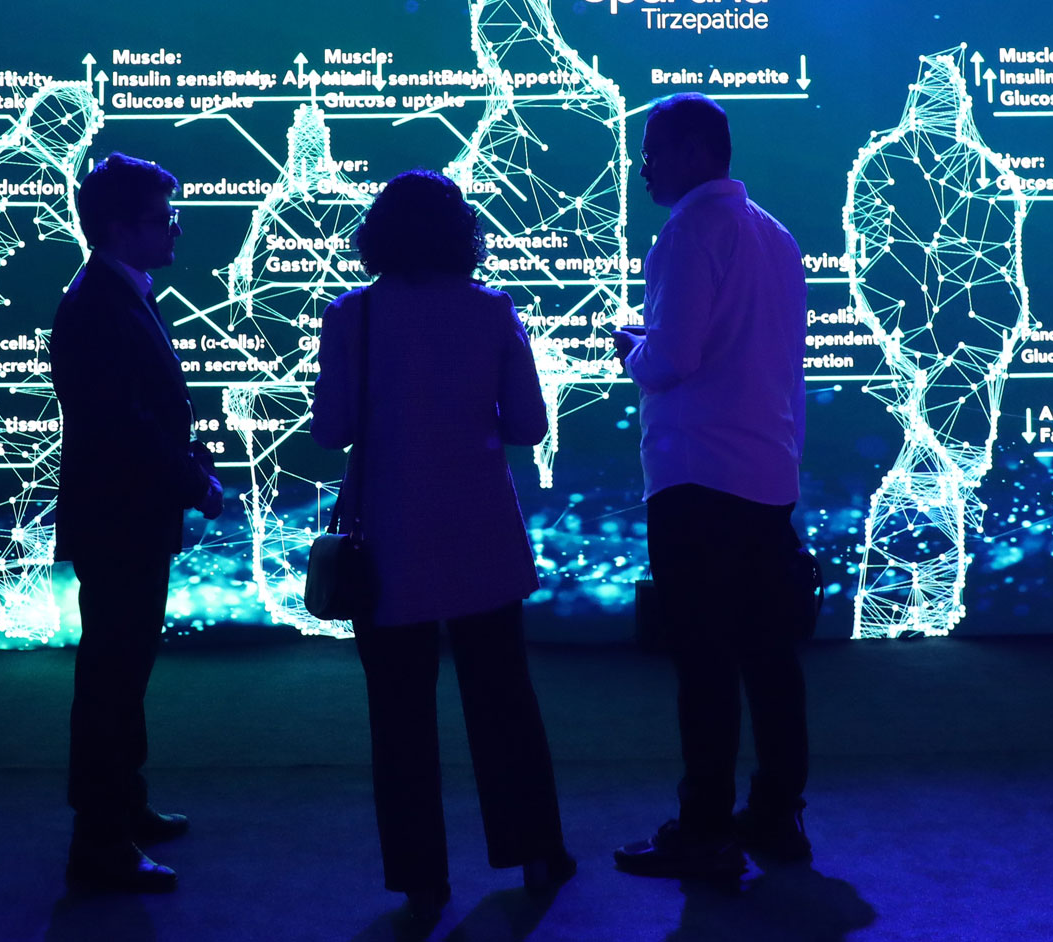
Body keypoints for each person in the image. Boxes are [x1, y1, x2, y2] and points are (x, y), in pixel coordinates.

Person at [311, 170, 573, 917]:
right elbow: (529, 425)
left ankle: (421, 881)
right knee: (502, 698)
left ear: (379, 235)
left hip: (387, 540)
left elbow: (330, 430)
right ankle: (536, 853)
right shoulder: (493, 310)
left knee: (398, 714)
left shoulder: (352, 316)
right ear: (463, 235)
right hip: (480, 533)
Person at [610, 93, 812, 880]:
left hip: (697, 478)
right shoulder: (776, 235)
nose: (642, 168)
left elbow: (673, 359)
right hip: (766, 474)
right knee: (769, 655)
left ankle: (703, 833)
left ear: (694, 151)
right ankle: (777, 816)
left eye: (653, 151)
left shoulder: (690, 231)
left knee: (703, 661)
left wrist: (630, 349)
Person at [51, 153, 227, 893]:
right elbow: (125, 425)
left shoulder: (113, 292)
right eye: (165, 218)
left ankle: (123, 809)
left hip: (124, 517)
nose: (176, 229)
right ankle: (101, 842)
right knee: (112, 679)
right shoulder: (101, 303)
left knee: (120, 673)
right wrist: (194, 480)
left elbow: (138, 413)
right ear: (121, 227)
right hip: (121, 518)